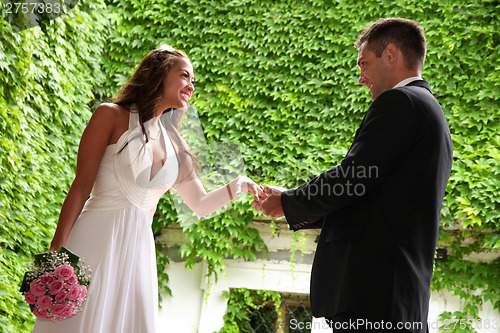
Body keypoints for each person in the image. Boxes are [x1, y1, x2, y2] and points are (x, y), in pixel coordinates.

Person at [33, 47, 264, 333]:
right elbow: (80, 188)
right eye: (184, 75)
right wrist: (56, 253)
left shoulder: (177, 145)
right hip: (94, 241)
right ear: (159, 74)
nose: (191, 85)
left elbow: (200, 204)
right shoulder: (110, 115)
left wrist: (238, 184)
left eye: (193, 80)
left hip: (139, 253)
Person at [253, 18, 453, 332]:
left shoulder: (401, 102)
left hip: (376, 291)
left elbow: (353, 178)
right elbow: (375, 199)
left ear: (390, 54)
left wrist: (288, 202)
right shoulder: (430, 112)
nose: (361, 78)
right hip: (397, 293)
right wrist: (291, 202)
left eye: (363, 63)